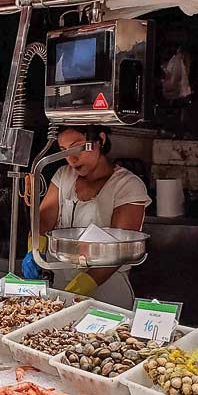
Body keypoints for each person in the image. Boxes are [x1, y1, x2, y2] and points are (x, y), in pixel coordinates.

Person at [22, 125, 150, 307]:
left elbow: (119, 251)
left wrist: (78, 288)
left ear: (101, 140)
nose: (71, 159)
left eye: (77, 148)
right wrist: (34, 251)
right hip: (61, 284)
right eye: (64, 151)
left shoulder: (128, 185)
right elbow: (43, 220)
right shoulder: (63, 176)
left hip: (106, 291)